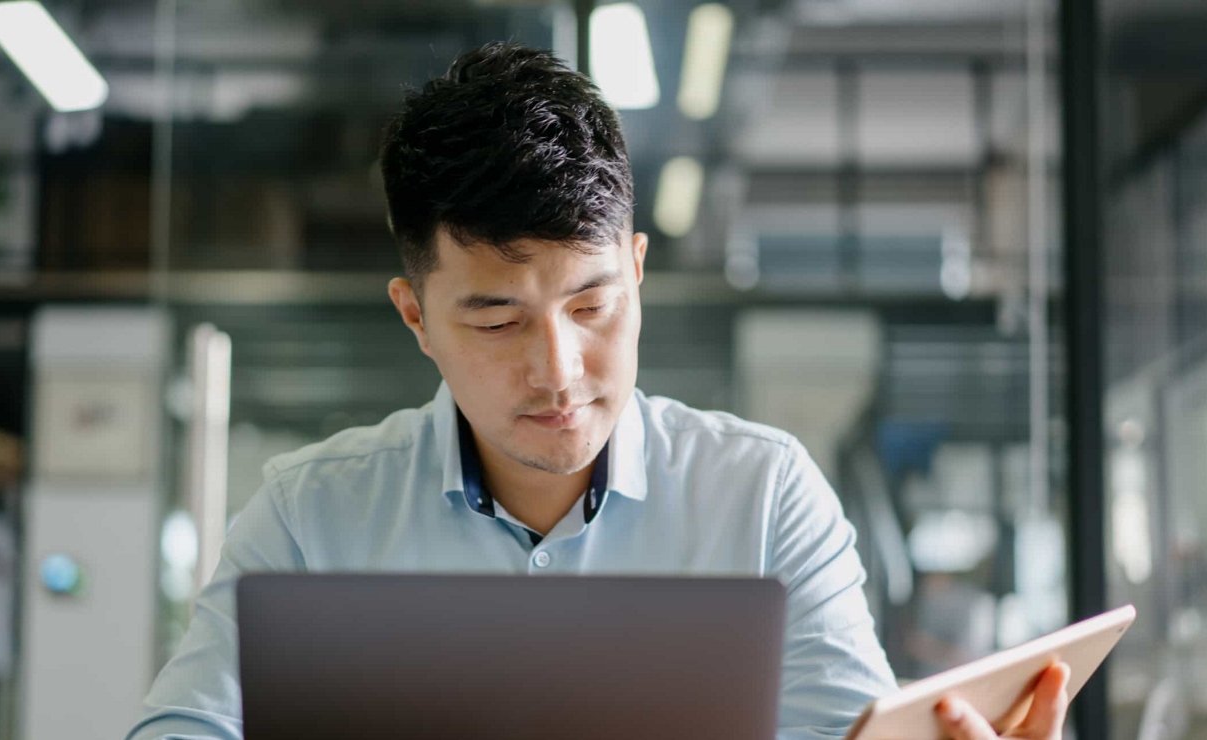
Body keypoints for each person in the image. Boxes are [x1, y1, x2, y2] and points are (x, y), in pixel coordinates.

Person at [125, 42, 1070, 740]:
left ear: (639, 270)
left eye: (592, 302)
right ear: (415, 317)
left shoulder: (764, 497)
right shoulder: (311, 515)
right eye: (496, 320)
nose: (559, 370)